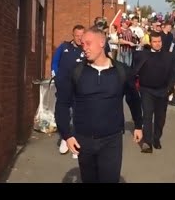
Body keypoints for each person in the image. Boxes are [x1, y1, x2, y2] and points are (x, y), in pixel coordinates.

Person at [55, 26, 143, 183]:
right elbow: (62, 103)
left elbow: (133, 98)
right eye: (83, 44)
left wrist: (138, 124)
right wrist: (67, 135)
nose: (84, 48)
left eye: (88, 43)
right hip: (84, 140)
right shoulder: (76, 72)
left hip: (112, 140)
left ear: (102, 42)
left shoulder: (121, 71)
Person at [133, 31, 175, 153]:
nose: (157, 44)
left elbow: (173, 74)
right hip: (146, 90)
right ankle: (147, 142)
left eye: (159, 42)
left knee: (160, 118)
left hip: (162, 91)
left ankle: (156, 138)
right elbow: (134, 67)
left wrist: (169, 88)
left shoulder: (169, 56)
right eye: (155, 42)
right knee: (147, 116)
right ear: (150, 43)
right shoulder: (143, 55)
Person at [51, 24, 85, 157]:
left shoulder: (86, 49)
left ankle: (76, 142)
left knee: (79, 114)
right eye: (77, 36)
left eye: (82, 36)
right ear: (73, 35)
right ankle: (65, 138)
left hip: (80, 88)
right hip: (64, 86)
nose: (79, 38)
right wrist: (56, 77)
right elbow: (54, 62)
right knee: (62, 113)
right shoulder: (64, 47)